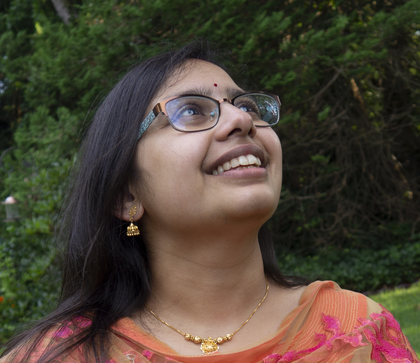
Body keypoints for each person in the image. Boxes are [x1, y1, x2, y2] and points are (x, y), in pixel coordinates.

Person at [1, 41, 418, 363]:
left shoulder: (359, 331)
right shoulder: (58, 356)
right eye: (191, 111)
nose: (240, 120)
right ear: (127, 195)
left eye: (248, 106)